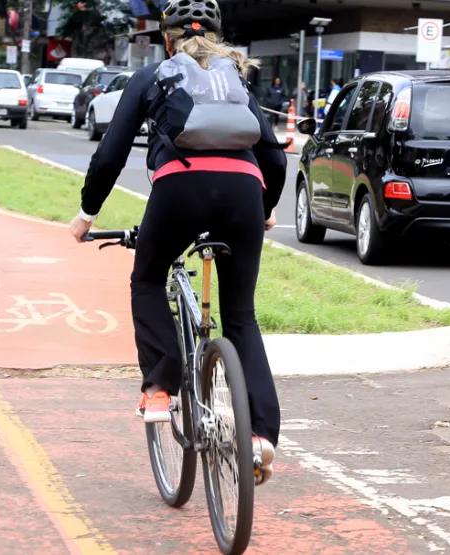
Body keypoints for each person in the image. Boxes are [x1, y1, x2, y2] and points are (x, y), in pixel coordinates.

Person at [67, 0, 285, 486]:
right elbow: (272, 155)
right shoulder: (236, 80)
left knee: (146, 279)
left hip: (179, 191)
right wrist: (265, 210)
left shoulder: (155, 76)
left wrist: (87, 214)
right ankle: (262, 436)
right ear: (218, 38)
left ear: (166, 39)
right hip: (244, 194)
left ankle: (161, 388)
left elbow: (110, 154)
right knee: (242, 316)